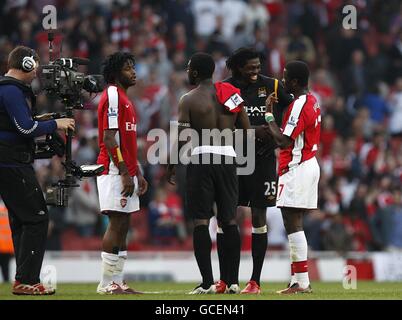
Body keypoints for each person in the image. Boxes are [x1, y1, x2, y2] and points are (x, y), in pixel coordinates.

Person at [167, 52, 250, 294]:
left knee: (201, 220)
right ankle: (232, 282)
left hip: (201, 158)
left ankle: (207, 283)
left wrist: (172, 163)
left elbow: (183, 138)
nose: (187, 72)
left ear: (194, 72)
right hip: (228, 158)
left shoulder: (188, 99)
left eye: (189, 68)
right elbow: (245, 129)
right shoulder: (231, 95)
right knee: (229, 219)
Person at [217, 47, 293, 294]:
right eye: (251, 67)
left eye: (258, 67)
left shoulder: (272, 86)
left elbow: (294, 110)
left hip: (262, 162)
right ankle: (226, 279)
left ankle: (255, 281)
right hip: (233, 159)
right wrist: (249, 133)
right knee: (226, 218)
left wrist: (274, 130)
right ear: (238, 67)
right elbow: (218, 124)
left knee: (259, 219)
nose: (256, 72)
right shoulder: (225, 88)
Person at [0, 46, 75, 295]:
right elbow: (24, 129)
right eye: (36, 66)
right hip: (12, 165)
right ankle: (27, 280)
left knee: (23, 221)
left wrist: (42, 119)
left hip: (9, 164)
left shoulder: (8, 89)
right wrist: (55, 123)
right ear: (27, 64)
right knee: (37, 217)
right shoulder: (11, 90)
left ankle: (24, 280)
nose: (37, 73)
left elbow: (18, 125)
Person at [264, 60, 320, 294]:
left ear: (295, 81)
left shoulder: (299, 104)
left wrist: (268, 117)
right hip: (307, 163)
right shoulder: (313, 100)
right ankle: (298, 279)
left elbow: (283, 140)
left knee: (292, 221)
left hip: (297, 166)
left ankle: (302, 282)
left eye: (286, 77)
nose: (283, 80)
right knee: (293, 221)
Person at [96, 52, 148, 295]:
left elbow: (126, 141)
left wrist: (137, 172)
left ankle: (118, 280)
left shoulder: (125, 98)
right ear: (117, 74)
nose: (133, 72)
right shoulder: (114, 95)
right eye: (128, 68)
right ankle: (106, 283)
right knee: (116, 223)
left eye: (133, 67)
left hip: (126, 171)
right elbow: (109, 138)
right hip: (114, 170)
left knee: (124, 224)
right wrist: (125, 173)